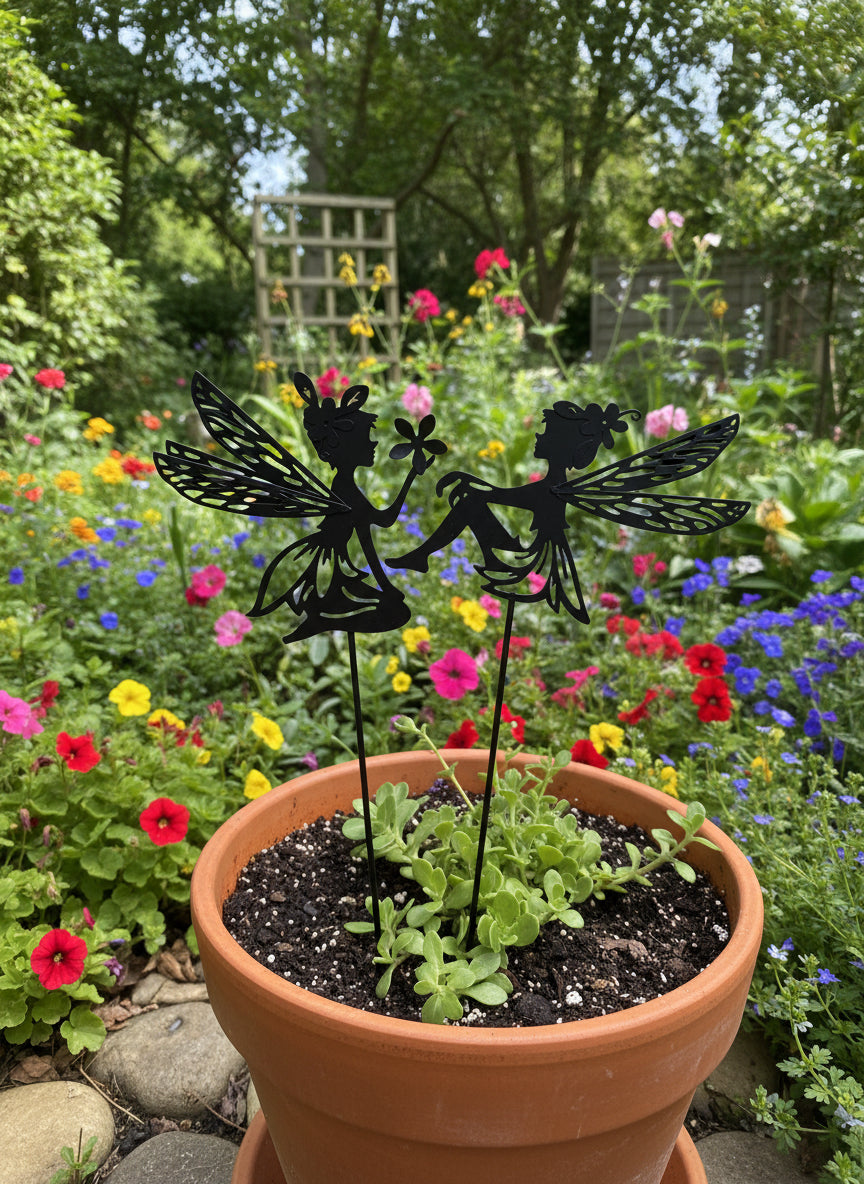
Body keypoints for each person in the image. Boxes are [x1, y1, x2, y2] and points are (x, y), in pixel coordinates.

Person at [387, 400, 638, 624]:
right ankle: (426, 556)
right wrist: (467, 480)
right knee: (471, 500)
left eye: (546, 433)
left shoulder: (553, 487)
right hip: (527, 556)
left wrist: (467, 481)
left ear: (559, 446)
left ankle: (423, 556)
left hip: (534, 563)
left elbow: (502, 495)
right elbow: (500, 494)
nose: (539, 436)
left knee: (469, 502)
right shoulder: (552, 484)